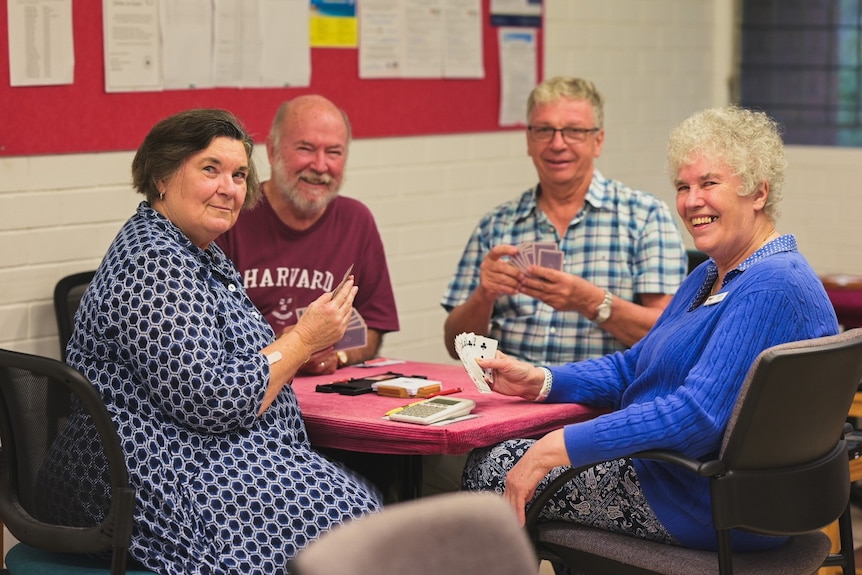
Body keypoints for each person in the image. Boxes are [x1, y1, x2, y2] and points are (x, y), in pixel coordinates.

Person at [461, 105, 840, 559]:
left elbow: (696, 417)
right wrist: (542, 380)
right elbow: (635, 365)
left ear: (758, 192)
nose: (691, 201)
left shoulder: (772, 284)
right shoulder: (711, 276)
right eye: (683, 186)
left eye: (709, 183)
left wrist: (555, 448)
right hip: (705, 487)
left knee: (490, 466)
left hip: (703, 500)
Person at [36, 109, 382, 575]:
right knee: (349, 520)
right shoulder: (155, 263)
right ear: (161, 177)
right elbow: (213, 401)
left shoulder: (194, 251)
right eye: (210, 170)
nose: (230, 187)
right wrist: (302, 340)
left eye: (240, 174)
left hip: (194, 460)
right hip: (144, 479)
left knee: (360, 507)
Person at [441, 76, 687, 364]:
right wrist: (484, 296)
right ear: (529, 141)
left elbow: (669, 337)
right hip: (512, 397)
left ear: (598, 141)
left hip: (602, 400)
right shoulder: (496, 225)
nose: (557, 144)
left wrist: (591, 302)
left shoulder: (645, 217)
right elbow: (455, 346)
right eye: (544, 130)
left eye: (573, 131)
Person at [216, 94, 399, 376]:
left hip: (326, 393)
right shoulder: (231, 216)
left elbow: (373, 325)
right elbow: (208, 338)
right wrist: (292, 348)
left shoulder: (356, 220)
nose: (320, 165)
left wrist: (337, 355)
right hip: (250, 392)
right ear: (273, 152)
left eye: (334, 153)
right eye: (306, 149)